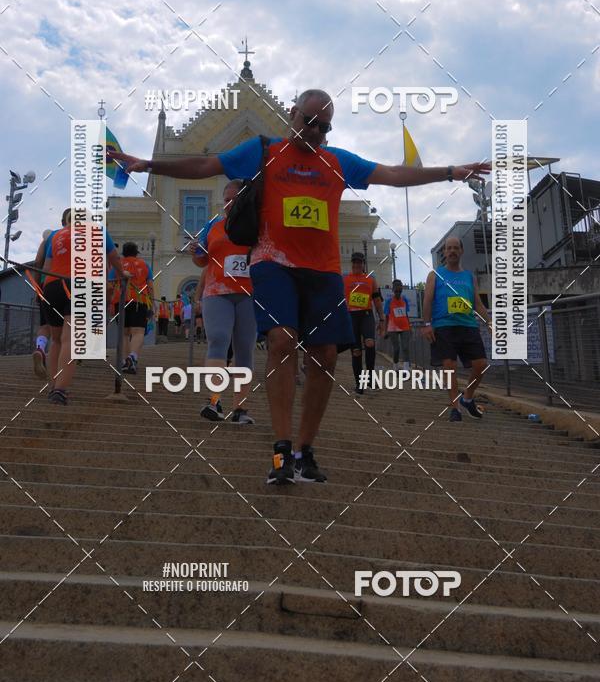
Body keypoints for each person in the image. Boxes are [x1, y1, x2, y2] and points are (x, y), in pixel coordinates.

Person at [114, 88, 489, 482]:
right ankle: (280, 449)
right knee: (281, 340)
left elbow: (393, 174)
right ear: (292, 114)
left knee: (325, 356)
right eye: (308, 121)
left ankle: (303, 450)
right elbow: (206, 164)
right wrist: (147, 165)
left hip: (323, 271)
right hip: (272, 263)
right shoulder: (263, 151)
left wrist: (449, 171)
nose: (314, 131)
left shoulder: (337, 161)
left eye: (323, 126)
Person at [38, 210, 125, 404]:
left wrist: (42, 291)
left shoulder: (55, 235)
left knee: (56, 340)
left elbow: (46, 267)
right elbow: (114, 259)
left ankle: (54, 385)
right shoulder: (98, 231)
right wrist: (122, 274)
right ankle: (60, 390)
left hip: (52, 286)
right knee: (71, 339)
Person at [192, 181, 256, 426]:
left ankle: (240, 408)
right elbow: (203, 260)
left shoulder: (257, 225)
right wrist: (196, 252)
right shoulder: (213, 226)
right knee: (218, 339)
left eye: (234, 199)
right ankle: (214, 401)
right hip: (217, 291)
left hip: (249, 293)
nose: (229, 204)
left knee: (244, 348)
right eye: (226, 199)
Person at [421, 236, 491, 421]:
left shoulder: (469, 276)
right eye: (448, 248)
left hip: (468, 325)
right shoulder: (435, 275)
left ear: (461, 251)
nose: (451, 251)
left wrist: (489, 322)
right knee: (450, 366)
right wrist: (427, 324)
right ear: (444, 252)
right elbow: (427, 301)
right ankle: (455, 407)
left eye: (455, 248)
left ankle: (467, 398)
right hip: (444, 326)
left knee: (481, 365)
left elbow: (477, 303)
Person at [108, 242, 154, 375]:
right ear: (136, 252)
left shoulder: (117, 265)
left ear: (123, 252)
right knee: (138, 332)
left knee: (124, 333)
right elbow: (150, 285)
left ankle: (124, 362)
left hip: (120, 301)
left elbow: (110, 286)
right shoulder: (145, 265)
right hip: (139, 301)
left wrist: (110, 303)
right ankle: (133, 357)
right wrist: (152, 302)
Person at [343, 251, 385, 394]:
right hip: (351, 317)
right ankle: (359, 384)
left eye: (359, 262)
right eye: (354, 262)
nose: (357, 264)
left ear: (363, 264)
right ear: (352, 263)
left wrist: (382, 318)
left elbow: (377, 300)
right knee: (356, 352)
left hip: (366, 315)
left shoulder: (370, 279)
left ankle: (371, 377)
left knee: (370, 343)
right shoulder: (345, 279)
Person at [31, 228, 56, 379]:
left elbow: (37, 262)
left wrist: (37, 287)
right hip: (70, 287)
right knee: (64, 331)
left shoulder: (47, 241)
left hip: (47, 287)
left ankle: (40, 348)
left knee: (45, 325)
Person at [384, 279, 411, 372]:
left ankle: (406, 368)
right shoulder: (388, 301)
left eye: (400, 291)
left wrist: (409, 326)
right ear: (393, 290)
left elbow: (406, 314)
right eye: (396, 291)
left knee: (406, 347)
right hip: (392, 327)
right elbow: (387, 317)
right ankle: (395, 365)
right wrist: (385, 330)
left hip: (404, 326)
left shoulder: (405, 300)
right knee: (396, 349)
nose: (398, 293)